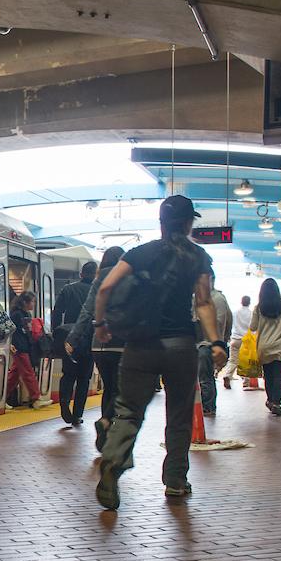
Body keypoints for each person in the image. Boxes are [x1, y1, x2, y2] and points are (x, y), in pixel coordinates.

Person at [91, 195, 227, 509]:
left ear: (161, 223)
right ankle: (176, 482)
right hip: (180, 346)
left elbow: (106, 287)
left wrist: (101, 324)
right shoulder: (198, 257)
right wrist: (216, 342)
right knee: (179, 416)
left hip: (140, 345)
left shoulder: (139, 253)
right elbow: (204, 303)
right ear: (189, 223)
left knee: (128, 411)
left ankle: (113, 460)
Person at [66, 246, 125, 452]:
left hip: (98, 345)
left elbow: (87, 310)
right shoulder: (126, 275)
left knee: (109, 388)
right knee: (121, 390)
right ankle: (106, 421)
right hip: (120, 343)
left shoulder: (100, 278)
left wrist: (73, 337)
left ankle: (105, 437)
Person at [53, 261, 98, 425]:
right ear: (95, 275)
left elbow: (57, 312)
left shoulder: (68, 289)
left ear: (81, 274)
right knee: (84, 378)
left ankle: (64, 402)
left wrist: (57, 332)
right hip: (90, 339)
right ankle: (78, 414)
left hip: (69, 338)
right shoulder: (97, 291)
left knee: (68, 374)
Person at [249, 278, 281, 417]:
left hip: (264, 346)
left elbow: (253, 327)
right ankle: (276, 402)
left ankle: (270, 400)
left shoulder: (259, 308)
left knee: (268, 376)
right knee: (279, 376)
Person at [6, 292, 50, 409]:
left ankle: (2, 397)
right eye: (32, 301)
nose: (34, 304)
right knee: (28, 372)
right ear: (25, 302)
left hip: (25, 346)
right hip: (19, 347)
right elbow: (13, 331)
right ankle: (36, 399)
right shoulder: (16, 315)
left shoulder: (26, 314)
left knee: (15, 374)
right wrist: (11, 344)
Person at [197, 278, 232, 416]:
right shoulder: (220, 298)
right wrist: (224, 339)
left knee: (205, 378)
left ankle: (207, 406)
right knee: (207, 377)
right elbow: (229, 320)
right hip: (214, 343)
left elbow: (219, 321)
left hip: (206, 343)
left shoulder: (212, 299)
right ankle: (209, 405)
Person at [221, 295, 253, 388]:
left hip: (235, 339)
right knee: (246, 361)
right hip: (246, 340)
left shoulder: (235, 312)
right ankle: (246, 382)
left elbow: (230, 323)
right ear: (249, 302)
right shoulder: (251, 314)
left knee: (233, 360)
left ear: (241, 302)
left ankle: (227, 375)